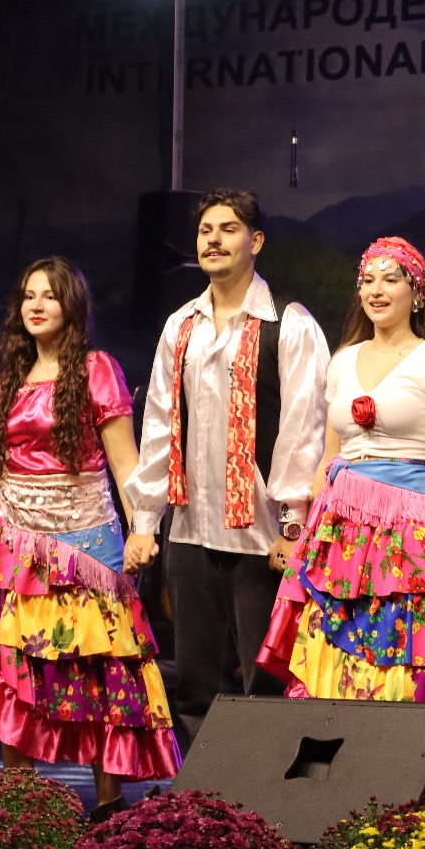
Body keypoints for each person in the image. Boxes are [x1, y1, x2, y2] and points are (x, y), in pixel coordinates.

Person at [0, 258, 179, 817]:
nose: (36, 304)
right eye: (27, 296)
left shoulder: (96, 368)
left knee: (94, 669)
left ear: (71, 306)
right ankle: (21, 804)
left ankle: (109, 807)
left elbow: (126, 463)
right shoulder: (13, 376)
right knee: (17, 668)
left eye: (48, 295)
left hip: (83, 545)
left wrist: (143, 528)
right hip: (16, 546)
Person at [124, 189, 330, 746]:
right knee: (194, 679)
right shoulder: (181, 326)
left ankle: (266, 810)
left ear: (255, 241)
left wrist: (294, 523)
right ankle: (203, 809)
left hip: (261, 534)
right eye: (205, 230)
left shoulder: (288, 324)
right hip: (193, 528)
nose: (214, 239)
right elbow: (160, 424)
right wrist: (145, 523)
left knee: (264, 676)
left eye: (229, 228)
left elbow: (304, 428)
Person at [256, 237, 425, 721]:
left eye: (391, 279)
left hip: (409, 525)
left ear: (418, 292)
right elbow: (328, 456)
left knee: (401, 645)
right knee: (333, 646)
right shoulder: (343, 361)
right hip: (340, 527)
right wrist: (298, 533)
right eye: (367, 280)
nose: (376, 291)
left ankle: (405, 773)